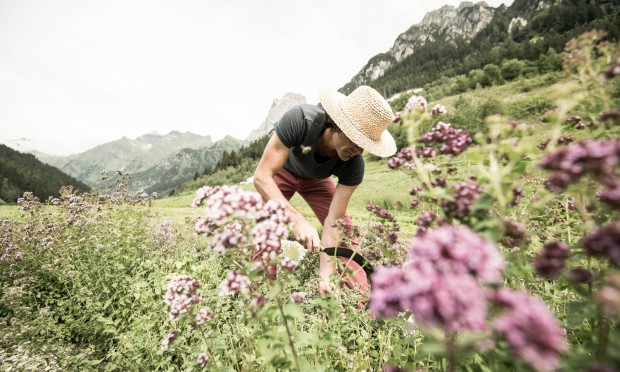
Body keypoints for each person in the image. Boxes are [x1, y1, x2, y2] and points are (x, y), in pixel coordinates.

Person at [253, 85, 396, 295]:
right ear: (340, 124)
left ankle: (352, 302)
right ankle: (260, 298)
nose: (360, 150)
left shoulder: (354, 163)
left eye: (365, 144)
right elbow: (262, 177)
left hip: (317, 181)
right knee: (266, 228)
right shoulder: (300, 120)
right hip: (282, 171)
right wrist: (297, 220)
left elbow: (333, 222)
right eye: (357, 139)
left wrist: (326, 273)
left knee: (345, 232)